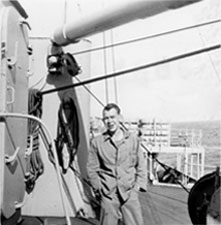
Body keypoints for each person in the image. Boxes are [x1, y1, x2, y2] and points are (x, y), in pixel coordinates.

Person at [87, 103, 147, 225]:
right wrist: (99, 190)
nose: (109, 121)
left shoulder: (132, 140)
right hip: (109, 195)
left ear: (120, 118)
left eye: (112, 117)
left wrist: (137, 187)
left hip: (129, 193)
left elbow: (141, 165)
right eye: (106, 118)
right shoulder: (97, 143)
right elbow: (91, 169)